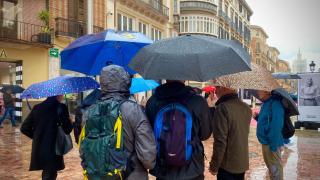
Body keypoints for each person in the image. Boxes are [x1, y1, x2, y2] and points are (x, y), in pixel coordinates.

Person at [80, 65, 156, 179]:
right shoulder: (133, 110)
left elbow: (84, 150)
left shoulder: (89, 112)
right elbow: (148, 157)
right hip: (131, 174)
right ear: (125, 82)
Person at [146, 80, 212, 180]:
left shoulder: (153, 101)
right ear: (184, 78)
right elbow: (205, 134)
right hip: (192, 169)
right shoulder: (198, 101)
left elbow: (149, 135)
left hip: (164, 169)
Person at [20, 95, 73, 180]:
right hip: (54, 148)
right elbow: (67, 129)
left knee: (47, 173)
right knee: (50, 174)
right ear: (58, 95)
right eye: (61, 93)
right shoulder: (61, 107)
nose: (62, 95)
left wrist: (37, 137)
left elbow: (24, 128)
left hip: (40, 146)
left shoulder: (37, 107)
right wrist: (70, 121)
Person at [209, 86, 252, 180]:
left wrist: (214, 165)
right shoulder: (246, 107)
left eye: (218, 87)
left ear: (226, 88)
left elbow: (220, 141)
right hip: (242, 163)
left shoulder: (222, 108)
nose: (215, 90)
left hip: (227, 165)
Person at [255, 90, 284, 180]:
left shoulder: (275, 104)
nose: (258, 92)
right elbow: (267, 120)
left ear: (267, 91)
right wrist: (257, 117)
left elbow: (277, 125)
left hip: (272, 143)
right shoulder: (266, 103)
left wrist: (273, 146)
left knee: (275, 169)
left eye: (260, 90)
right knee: (271, 168)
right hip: (266, 142)